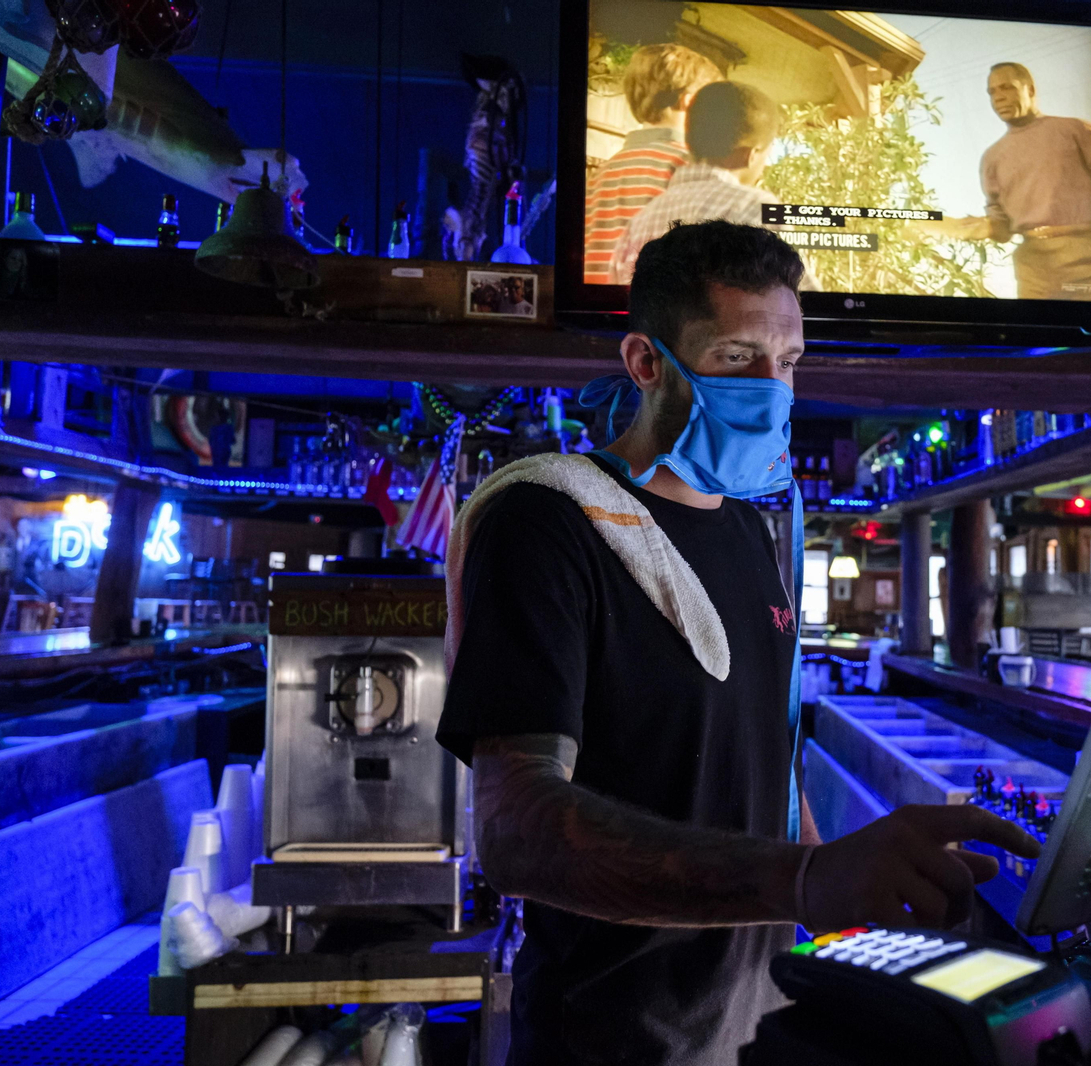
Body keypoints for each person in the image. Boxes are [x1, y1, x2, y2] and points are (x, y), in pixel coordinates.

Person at [437, 220, 1037, 1066]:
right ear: (647, 363)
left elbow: (765, 763)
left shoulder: (758, 536)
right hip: (616, 1041)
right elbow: (515, 830)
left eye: (787, 363)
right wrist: (800, 880)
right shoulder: (548, 521)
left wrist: (842, 890)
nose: (772, 388)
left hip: (755, 1028)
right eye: (735, 358)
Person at [913, 62, 1091, 300]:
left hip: (1089, 264)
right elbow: (1001, 226)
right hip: (1035, 272)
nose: (999, 98)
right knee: (1036, 337)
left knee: (1086, 334)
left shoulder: (1075, 130)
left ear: (1031, 90)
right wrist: (944, 227)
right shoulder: (993, 158)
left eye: (1007, 88)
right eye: (992, 92)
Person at [610, 81, 818, 289]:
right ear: (751, 155)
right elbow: (804, 298)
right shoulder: (756, 207)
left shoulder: (639, 223)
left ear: (689, 143)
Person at [582, 44, 721, 285]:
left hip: (599, 307)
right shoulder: (691, 167)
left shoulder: (603, 172)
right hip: (658, 313)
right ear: (690, 102)